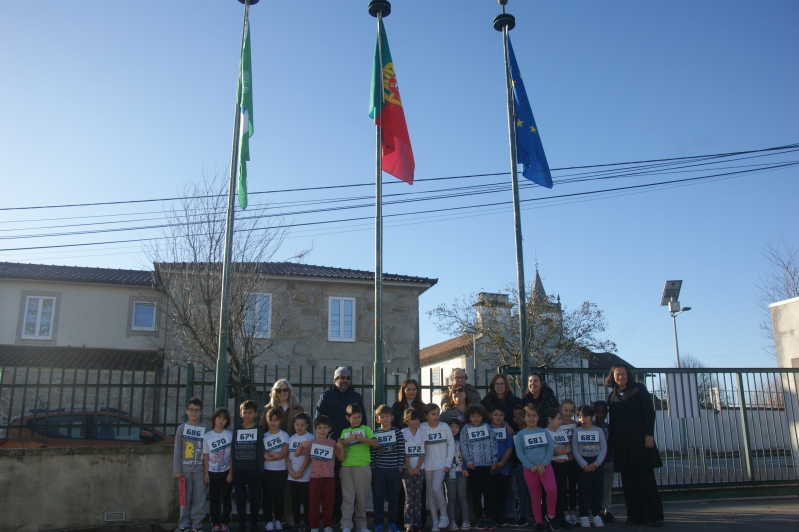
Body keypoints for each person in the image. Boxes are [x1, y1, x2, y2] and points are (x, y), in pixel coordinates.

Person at [605, 363, 664, 527]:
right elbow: (613, 423)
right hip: (622, 446)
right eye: (617, 374)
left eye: (623, 374)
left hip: (641, 442)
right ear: (613, 376)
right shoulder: (612, 396)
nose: (620, 377)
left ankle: (655, 516)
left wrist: (649, 434)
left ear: (628, 375)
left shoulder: (639, 389)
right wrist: (612, 445)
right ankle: (635, 516)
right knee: (628, 483)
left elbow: (649, 413)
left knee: (646, 481)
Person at [316, 367, 367, 524]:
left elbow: (363, 420)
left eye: (347, 378)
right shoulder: (326, 396)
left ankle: (351, 517)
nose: (345, 380)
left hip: (354, 446)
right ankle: (335, 516)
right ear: (335, 379)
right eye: (341, 377)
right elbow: (319, 419)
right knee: (335, 482)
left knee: (353, 485)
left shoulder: (356, 396)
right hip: (333, 445)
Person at [480, 374, 522, 525]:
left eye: (502, 383)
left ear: (506, 385)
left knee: (510, 486)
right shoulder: (486, 402)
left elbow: (518, 418)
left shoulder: (514, 401)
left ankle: (509, 514)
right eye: (497, 384)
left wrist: (507, 424)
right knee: (493, 488)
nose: (499, 386)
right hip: (491, 456)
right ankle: (493, 515)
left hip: (510, 446)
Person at [514, 405, 559, 532]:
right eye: (528, 416)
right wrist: (530, 466)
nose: (531, 418)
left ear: (538, 417)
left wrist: (543, 464)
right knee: (535, 496)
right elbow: (520, 452)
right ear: (524, 418)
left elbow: (550, 449)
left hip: (545, 467)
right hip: (530, 469)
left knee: (552, 490)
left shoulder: (544, 432)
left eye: (534, 415)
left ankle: (551, 516)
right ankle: (538, 521)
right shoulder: (521, 434)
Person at [270, 379, 304, 529]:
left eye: (285, 390)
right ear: (275, 393)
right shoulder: (269, 409)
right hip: (274, 454)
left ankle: (289, 518)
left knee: (289, 489)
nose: (282, 393)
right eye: (279, 390)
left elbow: (305, 429)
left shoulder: (298, 408)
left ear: (289, 391)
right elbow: (263, 430)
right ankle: (275, 518)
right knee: (274, 488)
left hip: (293, 452)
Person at [299, 415, 342, 532]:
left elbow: (341, 458)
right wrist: (302, 445)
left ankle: (327, 525)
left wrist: (341, 448)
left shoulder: (332, 443)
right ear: (315, 429)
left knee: (329, 502)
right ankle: (314, 526)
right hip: (315, 478)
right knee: (314, 503)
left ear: (329, 429)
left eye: (325, 428)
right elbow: (299, 453)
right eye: (319, 428)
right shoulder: (311, 443)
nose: (322, 430)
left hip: (329, 477)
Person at [339, 403, 378, 532]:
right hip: (347, 467)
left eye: (359, 417)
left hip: (363, 466)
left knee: (362, 498)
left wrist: (363, 439)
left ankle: (362, 525)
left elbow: (375, 443)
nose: (357, 420)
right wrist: (348, 440)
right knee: (348, 498)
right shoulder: (345, 432)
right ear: (348, 418)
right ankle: (346, 524)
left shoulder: (366, 429)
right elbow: (339, 445)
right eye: (354, 417)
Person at [459, 404, 497, 531]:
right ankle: (479, 518)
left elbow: (493, 443)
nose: (476, 418)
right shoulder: (465, 429)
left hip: (487, 465)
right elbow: (464, 446)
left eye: (478, 416)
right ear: (468, 417)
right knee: (476, 494)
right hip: (473, 467)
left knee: (489, 493)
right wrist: (468, 461)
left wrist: (494, 460)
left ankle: (490, 518)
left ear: (483, 416)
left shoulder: (487, 427)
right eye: (473, 416)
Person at [174, 397, 209, 532]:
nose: (194, 412)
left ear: (201, 412)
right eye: (191, 410)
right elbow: (178, 450)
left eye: (197, 410)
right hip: (185, 470)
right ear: (186, 411)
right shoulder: (181, 428)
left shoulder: (205, 428)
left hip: (200, 470)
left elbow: (207, 451)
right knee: (184, 499)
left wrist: (206, 471)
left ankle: (197, 525)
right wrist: (177, 469)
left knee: (199, 499)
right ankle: (184, 524)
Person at [232, 399, 266, 532]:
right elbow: (233, 449)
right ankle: (241, 525)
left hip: (254, 470)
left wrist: (260, 469)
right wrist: (234, 468)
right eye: (245, 412)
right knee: (240, 500)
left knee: (255, 499)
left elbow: (261, 449)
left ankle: (254, 524)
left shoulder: (259, 429)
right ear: (240, 414)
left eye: (250, 412)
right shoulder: (237, 429)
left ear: (256, 414)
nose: (247, 415)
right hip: (239, 470)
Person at [421, 403, 456, 532]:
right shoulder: (422, 427)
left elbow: (451, 444)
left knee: (436, 487)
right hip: (427, 465)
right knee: (430, 493)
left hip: (441, 465)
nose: (436, 416)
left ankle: (444, 516)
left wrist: (448, 463)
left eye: (437, 414)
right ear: (426, 416)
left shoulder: (444, 426)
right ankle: (435, 521)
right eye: (433, 414)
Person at [571, 405, 607, 529]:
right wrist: (583, 464)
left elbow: (603, 448)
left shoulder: (599, 430)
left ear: (591, 417)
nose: (582, 419)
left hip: (596, 464)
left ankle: (597, 515)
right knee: (583, 490)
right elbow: (575, 448)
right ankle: (584, 516)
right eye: (580, 417)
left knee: (597, 490)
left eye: (585, 416)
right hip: (582, 464)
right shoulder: (577, 431)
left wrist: (596, 464)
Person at [372, 405, 406, 532]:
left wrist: (400, 466)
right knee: (378, 498)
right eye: (382, 417)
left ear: (392, 418)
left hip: (394, 470)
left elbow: (401, 450)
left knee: (393, 499)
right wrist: (373, 468)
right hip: (379, 470)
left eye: (387, 416)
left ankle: (393, 523)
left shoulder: (397, 432)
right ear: (377, 420)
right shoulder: (375, 433)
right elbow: (373, 452)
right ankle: (378, 523)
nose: (385, 419)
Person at [203, 407, 234, 532]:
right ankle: (215, 523)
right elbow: (206, 455)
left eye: (224, 419)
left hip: (226, 471)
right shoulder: (207, 436)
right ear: (214, 419)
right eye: (219, 417)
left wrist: (231, 473)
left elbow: (232, 456)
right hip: (212, 472)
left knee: (227, 498)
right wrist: (206, 473)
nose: (221, 421)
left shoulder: (230, 435)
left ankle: (225, 522)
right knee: (214, 499)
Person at [262, 406, 290, 531]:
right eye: (271, 420)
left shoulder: (284, 435)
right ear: (267, 420)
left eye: (276, 420)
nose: (273, 423)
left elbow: (283, 454)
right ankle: (268, 521)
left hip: (281, 470)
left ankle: (278, 519)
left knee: (279, 496)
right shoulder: (264, 436)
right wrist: (274, 456)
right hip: (267, 470)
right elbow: (264, 455)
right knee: (267, 497)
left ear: (280, 421)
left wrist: (272, 455)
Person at [544, 408, 571, 530]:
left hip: (563, 465)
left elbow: (567, 448)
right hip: (552, 465)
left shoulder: (561, 432)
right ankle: (551, 516)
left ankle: (560, 516)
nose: (561, 421)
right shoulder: (545, 432)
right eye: (558, 419)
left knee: (562, 492)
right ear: (550, 419)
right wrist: (556, 451)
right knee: (552, 492)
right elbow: (549, 450)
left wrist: (561, 451)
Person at [487, 406, 515, 528]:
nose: (498, 417)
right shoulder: (486, 428)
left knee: (503, 493)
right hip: (490, 466)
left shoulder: (507, 429)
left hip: (504, 466)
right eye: (496, 415)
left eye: (501, 415)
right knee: (491, 493)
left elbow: (510, 447)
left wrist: (502, 462)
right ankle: (492, 517)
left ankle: (502, 517)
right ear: (490, 415)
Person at [287, 412, 314, 532]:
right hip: (292, 476)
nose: (299, 427)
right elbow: (288, 457)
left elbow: (308, 457)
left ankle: (307, 523)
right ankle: (297, 523)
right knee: (295, 501)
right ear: (293, 425)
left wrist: (300, 471)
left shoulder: (310, 438)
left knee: (306, 500)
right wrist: (291, 472)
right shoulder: (291, 438)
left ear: (307, 425)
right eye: (297, 425)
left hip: (305, 476)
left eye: (302, 425)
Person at [401, 408, 427, 532]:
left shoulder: (423, 432)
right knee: (409, 497)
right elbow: (405, 452)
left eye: (417, 419)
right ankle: (408, 523)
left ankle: (418, 522)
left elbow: (423, 451)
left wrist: (417, 467)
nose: (415, 422)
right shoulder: (403, 432)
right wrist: (409, 467)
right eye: (412, 419)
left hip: (419, 469)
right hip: (407, 469)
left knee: (418, 496)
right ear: (406, 421)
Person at [592, 401, 616, 523]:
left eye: (604, 412)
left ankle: (607, 510)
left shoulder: (608, 427)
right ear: (595, 412)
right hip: (595, 461)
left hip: (608, 460)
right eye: (599, 412)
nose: (602, 415)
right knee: (596, 487)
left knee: (607, 487)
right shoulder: (591, 426)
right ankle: (597, 510)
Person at [445, 418, 471, 531]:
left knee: (462, 496)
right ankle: (452, 521)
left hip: (461, 473)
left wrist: (465, 468)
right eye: (451, 426)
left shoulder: (462, 441)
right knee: (451, 497)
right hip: (449, 473)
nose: (454, 429)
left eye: (457, 427)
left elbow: (465, 455)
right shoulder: (445, 441)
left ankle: (466, 520)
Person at [510, 405, 531, 528]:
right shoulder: (513, 432)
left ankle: (539, 516)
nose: (518, 418)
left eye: (521, 415)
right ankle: (523, 516)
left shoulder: (533, 430)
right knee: (522, 493)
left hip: (533, 466)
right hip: (519, 466)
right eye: (515, 416)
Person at [558, 401, 579, 527]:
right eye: (565, 410)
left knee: (572, 486)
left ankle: (573, 511)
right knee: (562, 487)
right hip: (562, 459)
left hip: (573, 459)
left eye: (571, 411)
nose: (568, 413)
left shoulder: (576, 424)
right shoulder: (558, 424)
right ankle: (564, 512)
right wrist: (566, 453)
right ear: (560, 409)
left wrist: (572, 454)